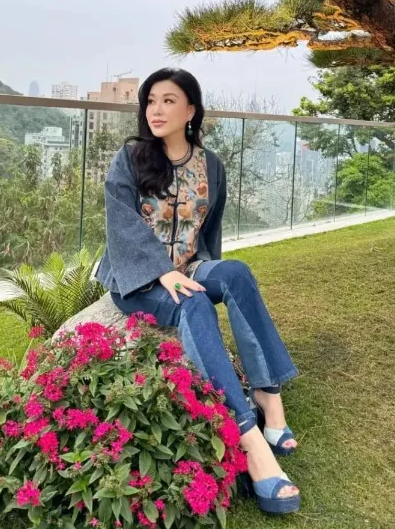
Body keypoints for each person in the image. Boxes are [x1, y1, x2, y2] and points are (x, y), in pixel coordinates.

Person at [95, 68, 301, 515]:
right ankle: (250, 440)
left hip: (189, 264)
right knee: (193, 301)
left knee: (237, 273)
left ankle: (269, 396)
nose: (156, 110)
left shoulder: (211, 165)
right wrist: (161, 272)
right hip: (137, 279)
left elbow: (210, 228)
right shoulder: (130, 158)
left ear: (190, 110)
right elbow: (120, 224)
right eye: (151, 101)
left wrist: (205, 269)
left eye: (168, 101)